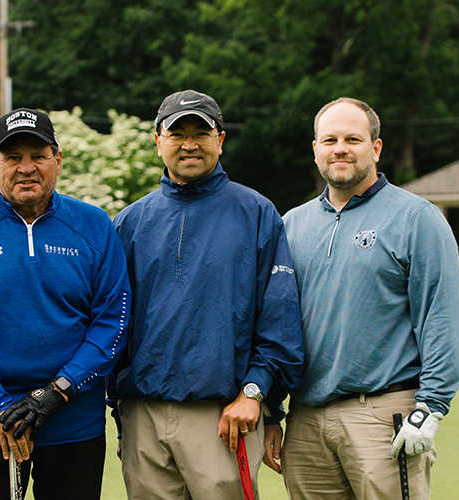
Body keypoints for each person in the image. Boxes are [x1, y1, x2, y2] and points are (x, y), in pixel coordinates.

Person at [111, 89, 304, 499]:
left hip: (225, 416)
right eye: (177, 133)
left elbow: (279, 315)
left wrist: (256, 392)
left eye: (202, 132)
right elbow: (112, 325)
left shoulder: (256, 213)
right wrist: (119, 413)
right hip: (142, 413)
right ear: (158, 141)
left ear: (221, 139)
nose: (190, 143)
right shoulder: (129, 222)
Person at [0, 108, 130, 500]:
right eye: (13, 157)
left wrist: (57, 392)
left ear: (57, 160)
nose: (26, 168)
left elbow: (112, 323)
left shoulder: (94, 224)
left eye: (38, 155)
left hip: (73, 424)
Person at [279, 97, 459, 500]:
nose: (340, 148)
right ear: (315, 149)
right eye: (329, 139)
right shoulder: (291, 225)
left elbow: (439, 318)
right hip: (306, 419)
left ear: (375, 148)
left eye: (353, 139)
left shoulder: (417, 218)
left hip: (384, 414)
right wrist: (273, 410)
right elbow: (276, 323)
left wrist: (431, 406)